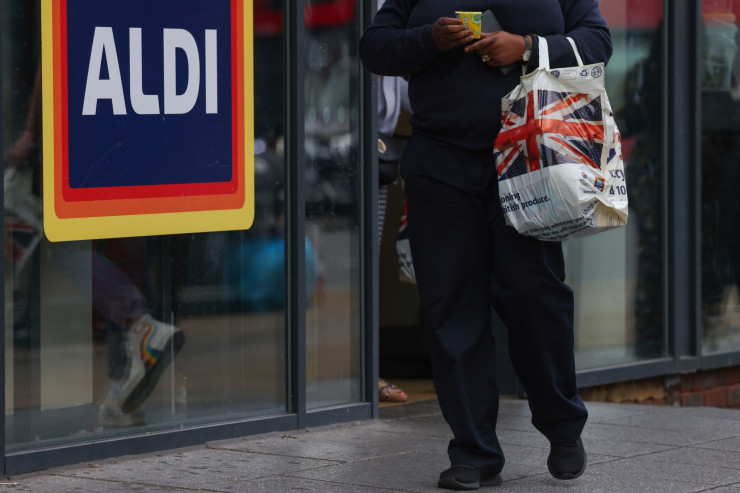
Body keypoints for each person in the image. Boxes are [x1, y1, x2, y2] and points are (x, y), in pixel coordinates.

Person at [360, 1, 612, 489]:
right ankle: (474, 451)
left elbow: (598, 41)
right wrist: (430, 39)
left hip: (531, 154)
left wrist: (528, 47)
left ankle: (562, 422)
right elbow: (375, 48)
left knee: (534, 293)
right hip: (440, 159)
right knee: (451, 305)